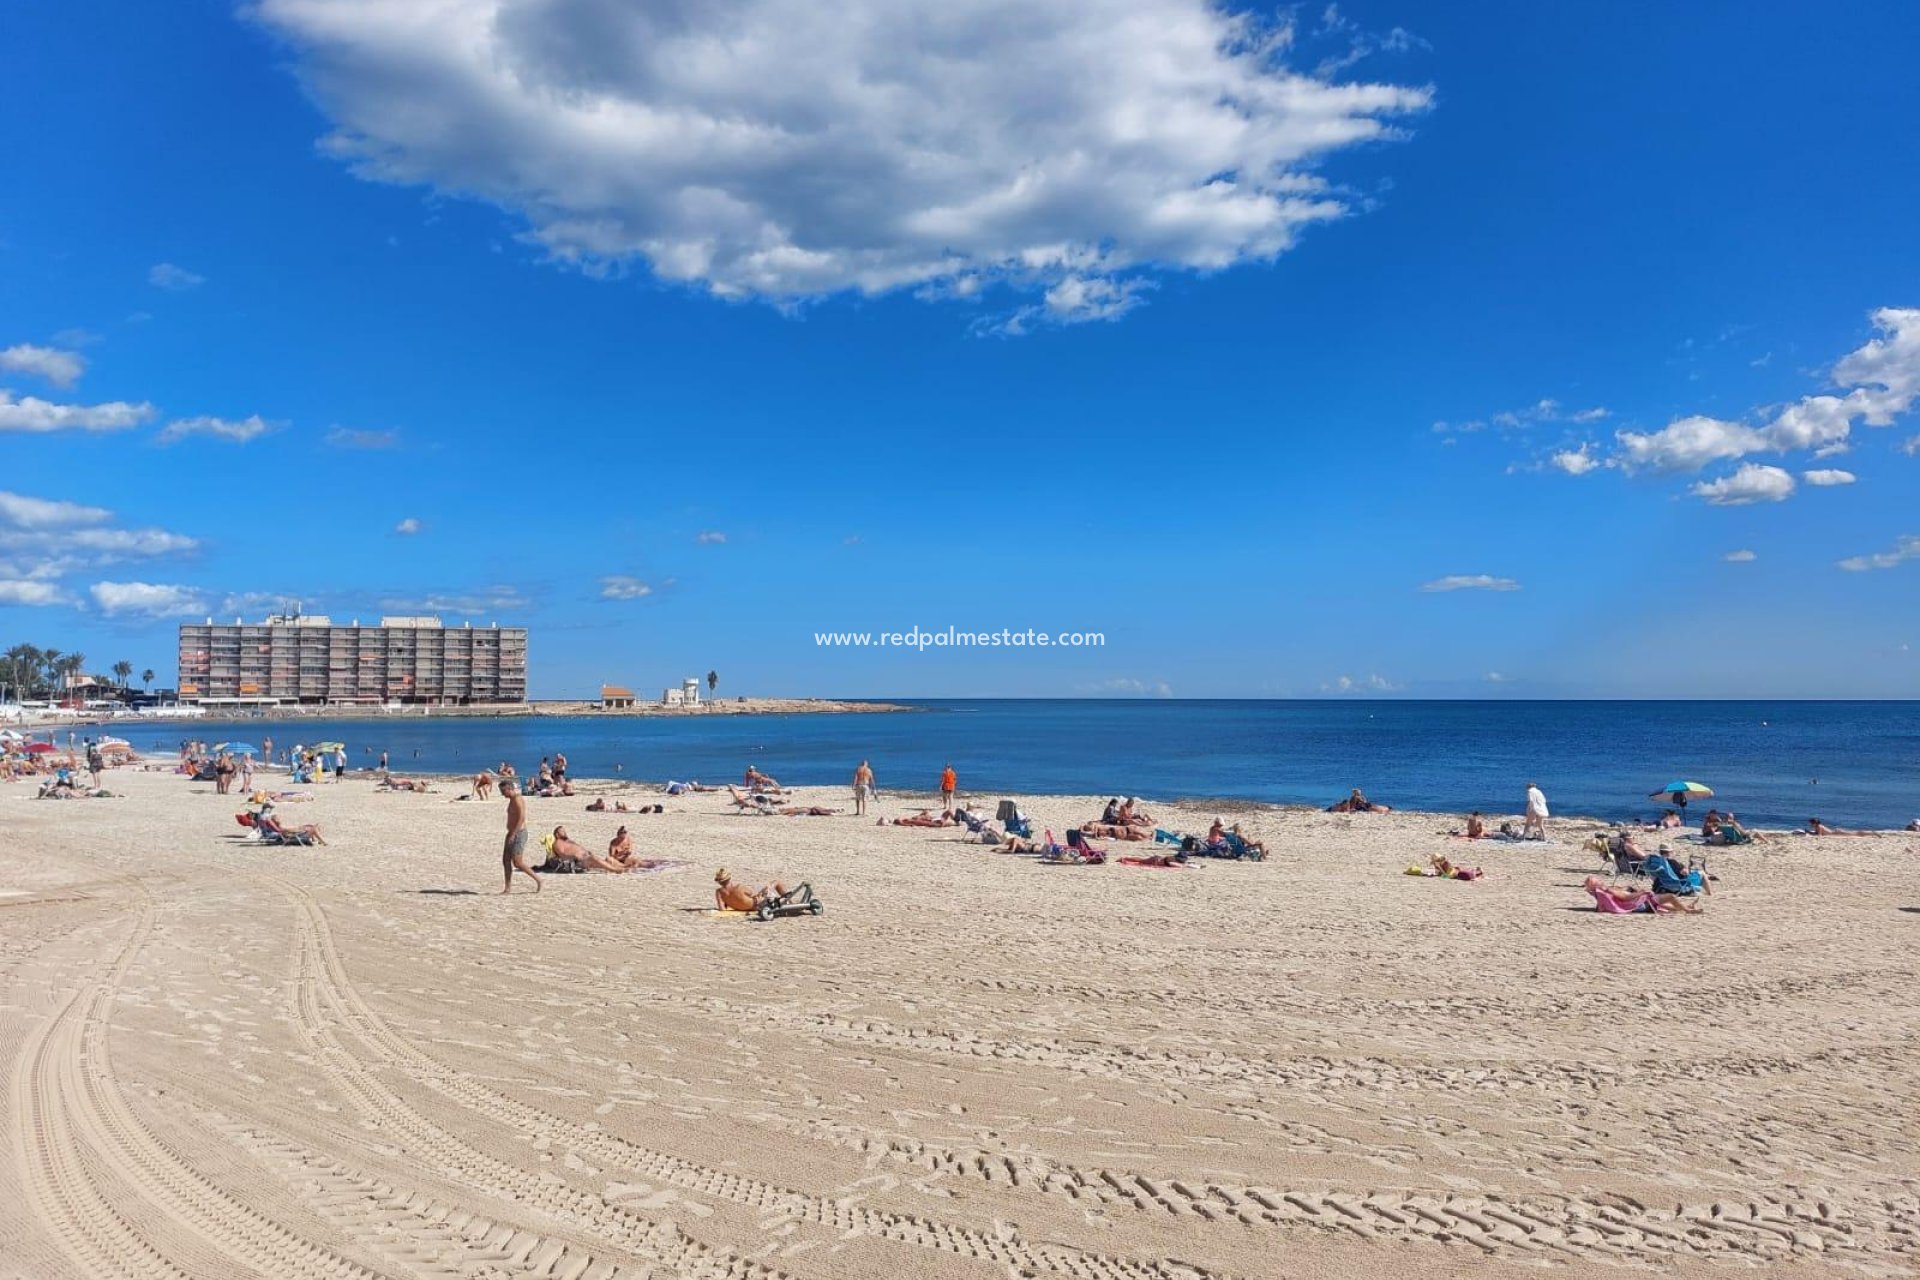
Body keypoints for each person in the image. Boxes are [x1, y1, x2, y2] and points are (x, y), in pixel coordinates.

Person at [499, 780, 539, 894]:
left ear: (510, 789)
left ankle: (538, 880)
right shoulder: (511, 800)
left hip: (519, 833)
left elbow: (521, 818)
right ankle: (507, 888)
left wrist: (514, 833)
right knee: (506, 860)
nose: (502, 794)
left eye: (503, 791)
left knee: (517, 862)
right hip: (511, 833)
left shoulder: (517, 799)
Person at [542, 825, 628, 873]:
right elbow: (562, 854)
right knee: (595, 859)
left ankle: (625, 867)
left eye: (564, 831)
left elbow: (579, 848)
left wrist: (586, 852)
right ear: (557, 834)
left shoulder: (569, 841)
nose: (565, 832)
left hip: (585, 857)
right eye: (562, 831)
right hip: (578, 861)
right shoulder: (557, 843)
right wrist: (575, 856)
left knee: (607, 860)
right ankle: (615, 870)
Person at [714, 867, 788, 912]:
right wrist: (766, 889)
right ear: (729, 878)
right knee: (777, 882)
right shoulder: (739, 887)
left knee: (764, 888)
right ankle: (789, 902)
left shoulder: (719, 892)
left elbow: (722, 909)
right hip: (758, 906)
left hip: (743, 908)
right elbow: (757, 895)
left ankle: (787, 901)